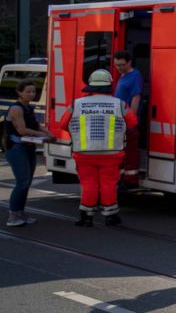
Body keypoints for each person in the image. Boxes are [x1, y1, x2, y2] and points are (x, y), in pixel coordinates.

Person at [63, 69, 137, 227]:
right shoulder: (120, 104)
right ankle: (110, 216)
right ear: (109, 85)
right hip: (112, 153)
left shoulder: (76, 104)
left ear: (90, 85)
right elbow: (132, 123)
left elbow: (63, 124)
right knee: (108, 184)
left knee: (88, 183)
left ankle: (86, 217)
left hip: (83, 153)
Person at [5, 79, 52, 227]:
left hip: (28, 147)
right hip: (17, 148)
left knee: (26, 183)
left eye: (33, 91)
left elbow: (36, 125)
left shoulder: (29, 107)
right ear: (19, 93)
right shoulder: (16, 108)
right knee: (22, 182)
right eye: (28, 92)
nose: (32, 94)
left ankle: (20, 213)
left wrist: (47, 133)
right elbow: (22, 130)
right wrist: (42, 135)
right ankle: (13, 215)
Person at [113, 50, 143, 188]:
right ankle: (122, 178)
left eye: (122, 64)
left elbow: (136, 98)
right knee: (122, 151)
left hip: (128, 122)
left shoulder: (135, 76)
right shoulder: (123, 75)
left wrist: (131, 120)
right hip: (120, 121)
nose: (119, 67)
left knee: (130, 151)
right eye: (117, 65)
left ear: (129, 62)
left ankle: (131, 180)